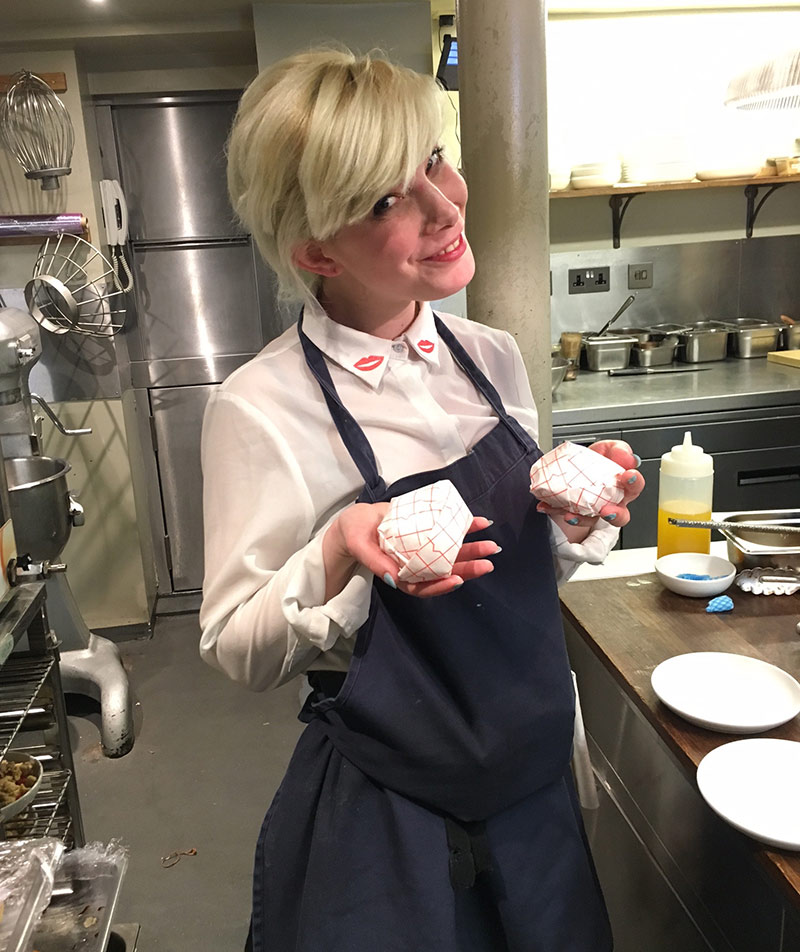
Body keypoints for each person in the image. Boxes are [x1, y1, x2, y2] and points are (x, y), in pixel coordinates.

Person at [200, 47, 644, 952]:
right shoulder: (260, 407)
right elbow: (235, 648)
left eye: (434, 160)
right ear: (316, 250)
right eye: (384, 200)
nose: (444, 206)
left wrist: (574, 518)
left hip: (534, 787)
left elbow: (513, 577)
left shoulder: (492, 357)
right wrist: (341, 547)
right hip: (395, 817)